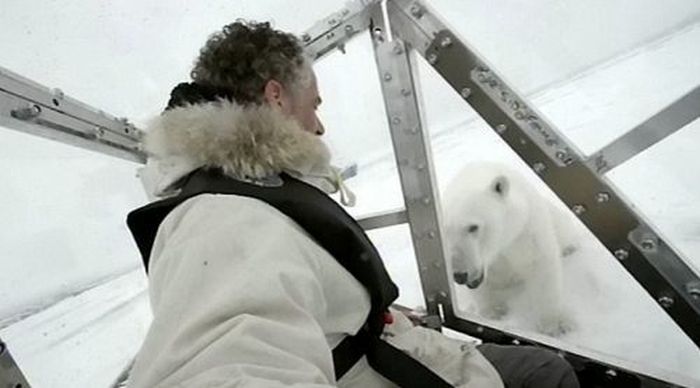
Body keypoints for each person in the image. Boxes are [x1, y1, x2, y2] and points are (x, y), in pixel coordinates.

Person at [125, 20, 579, 388]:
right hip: (379, 369)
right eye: (313, 104)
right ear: (276, 96)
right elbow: (226, 361)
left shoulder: (246, 189)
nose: (319, 125)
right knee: (547, 374)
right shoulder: (223, 217)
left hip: (380, 345)